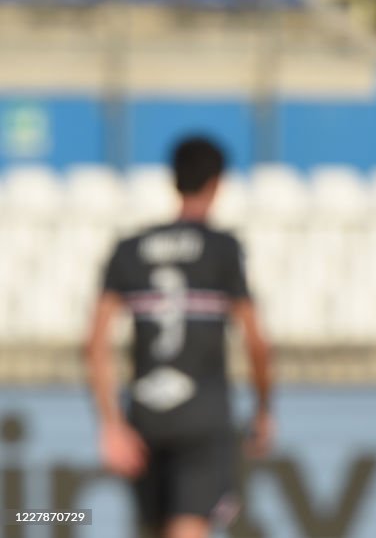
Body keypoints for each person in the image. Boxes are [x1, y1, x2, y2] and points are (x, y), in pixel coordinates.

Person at [86, 137, 272, 538]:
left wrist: (111, 425)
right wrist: (263, 408)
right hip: (202, 418)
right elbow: (255, 339)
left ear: (173, 180)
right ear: (217, 183)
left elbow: (95, 342)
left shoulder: (129, 248)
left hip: (145, 416)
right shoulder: (223, 250)